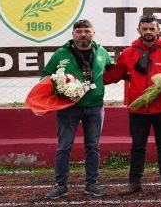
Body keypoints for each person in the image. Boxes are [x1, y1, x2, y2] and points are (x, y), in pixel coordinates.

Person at [103, 14, 161, 196]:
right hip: (137, 108)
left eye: (151, 29)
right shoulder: (128, 53)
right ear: (139, 30)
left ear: (158, 30)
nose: (148, 32)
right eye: (144, 28)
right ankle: (134, 183)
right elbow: (114, 75)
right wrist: (90, 79)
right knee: (137, 146)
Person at [42, 19, 113, 199]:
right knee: (64, 146)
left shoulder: (102, 52)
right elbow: (45, 76)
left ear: (93, 33)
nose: (83, 34)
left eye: (87, 31)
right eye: (79, 31)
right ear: (73, 34)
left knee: (93, 146)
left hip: (95, 107)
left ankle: (92, 184)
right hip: (68, 109)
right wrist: (57, 88)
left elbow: (113, 70)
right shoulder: (60, 54)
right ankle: (60, 186)